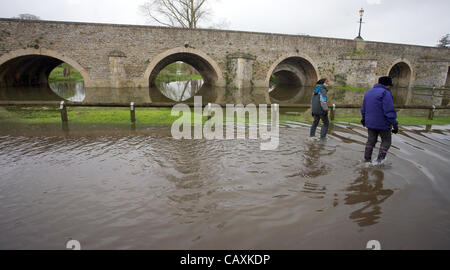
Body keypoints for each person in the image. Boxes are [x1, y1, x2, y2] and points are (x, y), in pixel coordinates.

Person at [361, 76, 399, 165]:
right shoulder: (386, 93)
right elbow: (389, 110)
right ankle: (379, 161)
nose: (390, 87)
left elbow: (363, 109)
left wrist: (364, 119)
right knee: (386, 141)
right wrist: (395, 124)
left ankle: (367, 160)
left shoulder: (368, 92)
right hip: (383, 123)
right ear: (387, 85)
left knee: (370, 141)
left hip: (370, 123)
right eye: (390, 86)